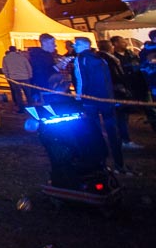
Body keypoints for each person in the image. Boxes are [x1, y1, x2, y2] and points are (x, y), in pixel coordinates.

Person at [72, 37, 127, 174]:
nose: (74, 46)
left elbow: (81, 80)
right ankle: (119, 164)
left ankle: (100, 163)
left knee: (94, 131)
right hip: (107, 99)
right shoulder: (100, 58)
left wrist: (79, 97)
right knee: (112, 132)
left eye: (77, 44)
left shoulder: (81, 59)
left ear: (84, 45)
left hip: (91, 100)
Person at [96, 39, 139, 148]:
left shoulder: (105, 58)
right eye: (111, 45)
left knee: (119, 116)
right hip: (115, 91)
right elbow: (114, 75)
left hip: (114, 90)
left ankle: (121, 139)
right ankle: (123, 140)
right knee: (120, 116)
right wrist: (120, 85)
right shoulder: (107, 59)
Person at [27, 33, 61, 104]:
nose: (55, 45)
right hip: (43, 88)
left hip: (47, 87)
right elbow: (41, 74)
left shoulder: (47, 55)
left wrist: (58, 67)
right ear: (45, 43)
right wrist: (57, 67)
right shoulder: (39, 56)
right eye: (52, 43)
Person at [1, 46, 34, 112]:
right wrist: (30, 75)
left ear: (9, 50)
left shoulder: (6, 58)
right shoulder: (22, 57)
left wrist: (8, 77)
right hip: (25, 77)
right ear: (15, 50)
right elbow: (28, 67)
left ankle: (21, 109)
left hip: (14, 78)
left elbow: (4, 69)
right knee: (28, 93)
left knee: (18, 95)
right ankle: (31, 107)